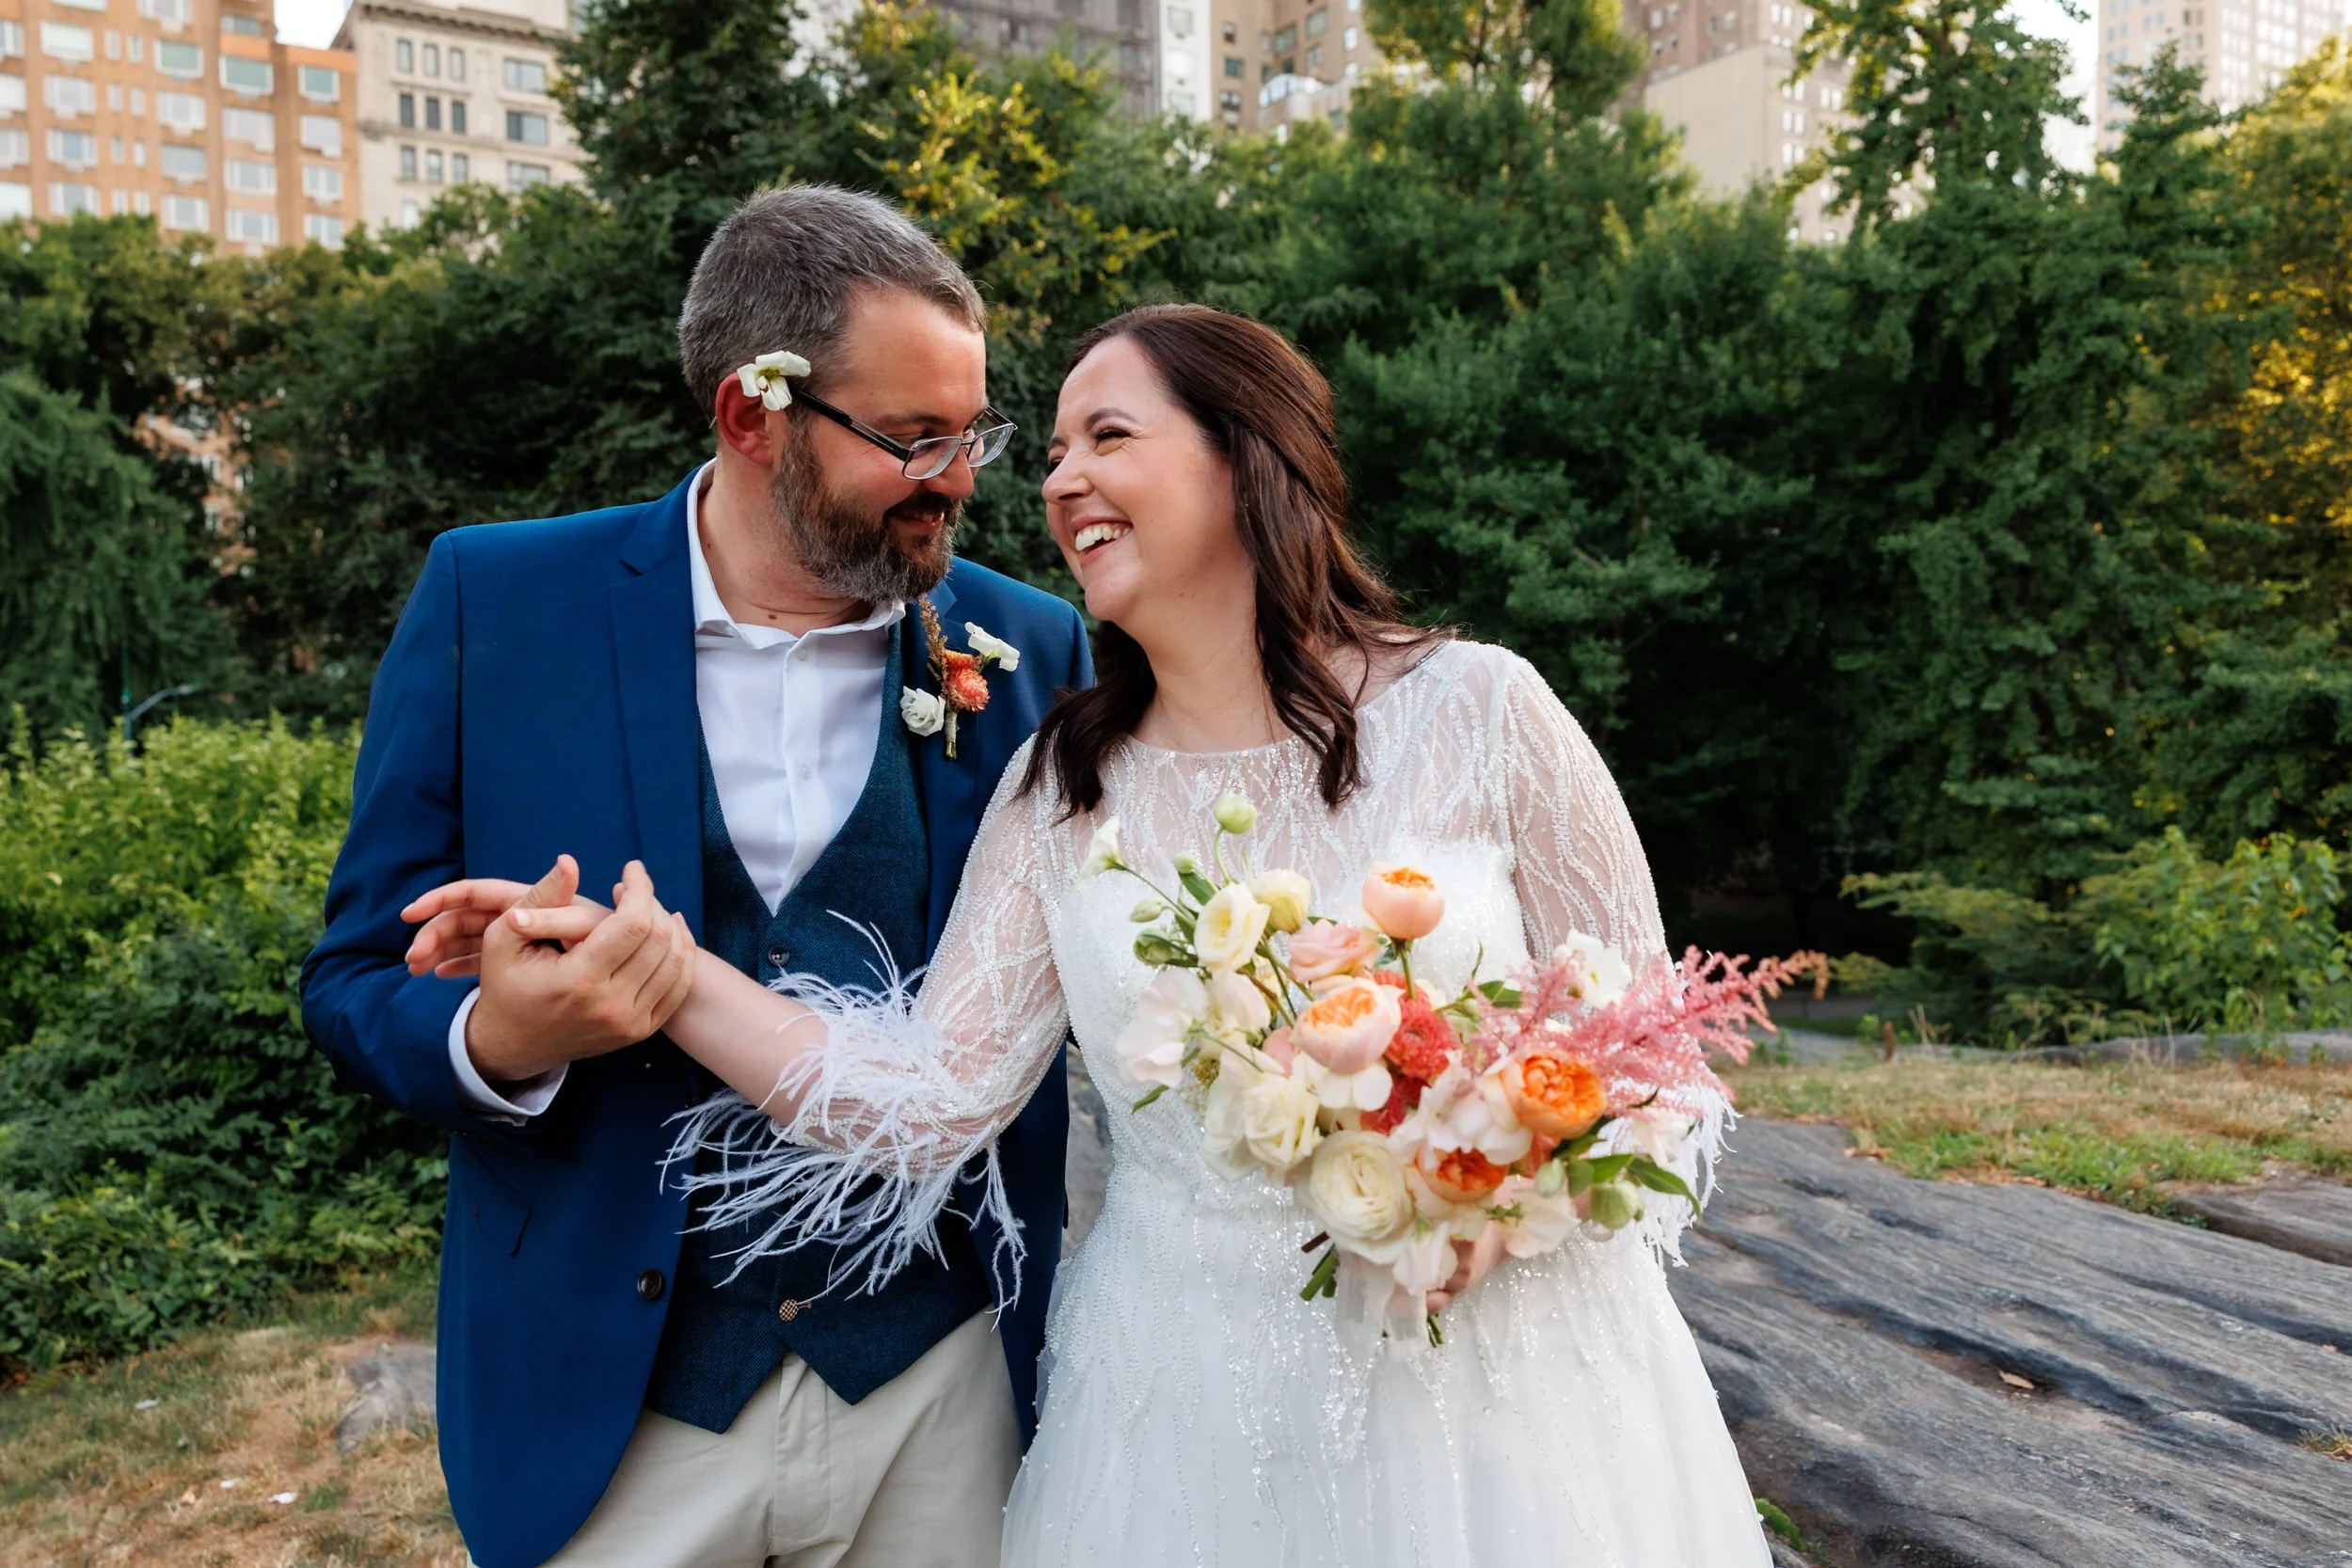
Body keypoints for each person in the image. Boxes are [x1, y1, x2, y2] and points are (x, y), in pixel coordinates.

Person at [409, 305, 1771, 1564]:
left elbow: (1659, 1049)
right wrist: (661, 965)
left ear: (1248, 457)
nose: (1059, 482)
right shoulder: (1062, 784)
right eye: (1055, 451)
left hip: (1504, 1396)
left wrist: (1500, 1195)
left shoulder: (1485, 709)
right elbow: (934, 1099)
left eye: (1108, 436)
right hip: (1182, 1408)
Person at [301, 184, 1091, 1568]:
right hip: (611, 1415)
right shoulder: (498, 604)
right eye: (913, 439)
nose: (959, 478)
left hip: (944, 1387)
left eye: (972, 433)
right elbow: (356, 977)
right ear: (751, 414)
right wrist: (498, 1039)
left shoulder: (1032, 647)